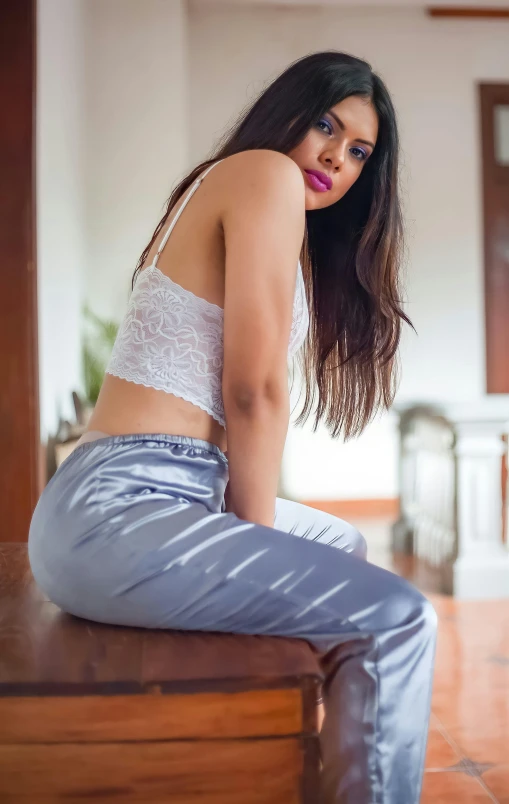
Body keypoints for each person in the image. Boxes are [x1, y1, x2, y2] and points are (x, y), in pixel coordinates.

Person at [28, 51, 437, 803]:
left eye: (358, 152)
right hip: (117, 506)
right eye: (325, 125)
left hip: (158, 498)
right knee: (399, 618)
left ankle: (306, 765)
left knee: (342, 543)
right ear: (287, 111)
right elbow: (252, 392)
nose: (334, 159)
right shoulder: (262, 174)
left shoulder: (245, 190)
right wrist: (253, 539)